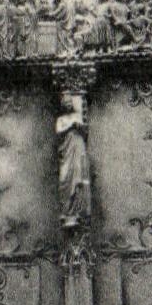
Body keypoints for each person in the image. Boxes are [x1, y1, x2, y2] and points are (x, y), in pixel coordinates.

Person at [56, 92, 90, 228]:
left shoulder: (77, 116)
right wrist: (71, 126)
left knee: (79, 177)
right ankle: (67, 212)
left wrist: (80, 126)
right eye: (66, 102)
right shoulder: (61, 120)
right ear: (62, 105)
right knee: (64, 179)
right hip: (67, 151)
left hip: (78, 147)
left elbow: (85, 132)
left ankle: (77, 213)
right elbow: (59, 131)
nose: (68, 104)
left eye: (70, 101)